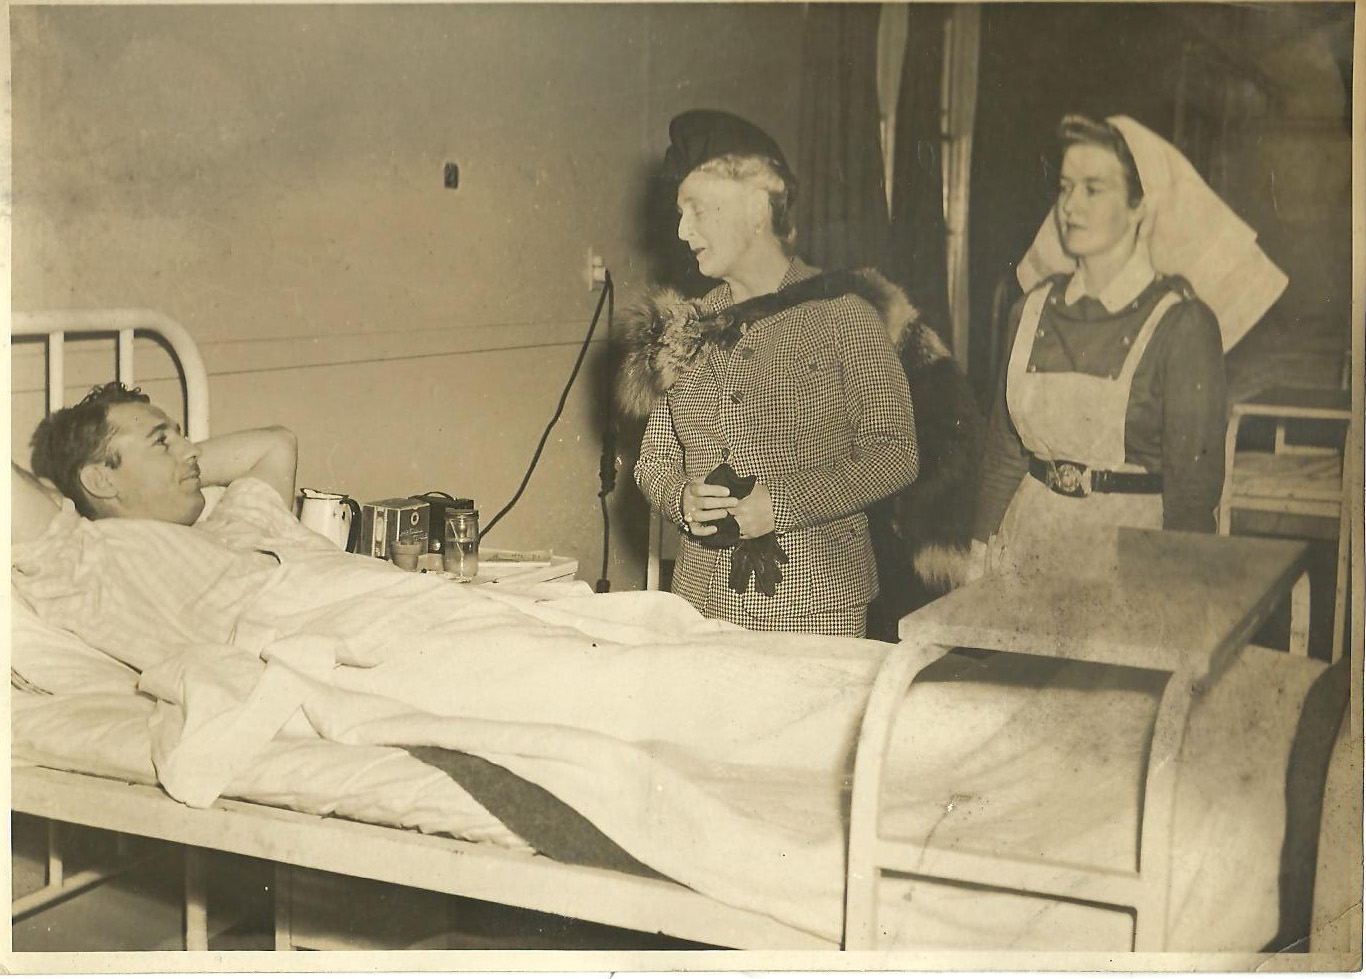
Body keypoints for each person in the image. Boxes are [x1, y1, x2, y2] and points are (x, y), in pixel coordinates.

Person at [623, 109, 920, 638]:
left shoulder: (843, 315)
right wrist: (681, 499)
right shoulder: (687, 326)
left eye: (697, 210)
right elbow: (654, 461)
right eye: (680, 213)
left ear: (758, 208)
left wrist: (782, 504)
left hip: (814, 610)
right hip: (700, 606)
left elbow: (895, 453)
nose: (683, 231)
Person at [970, 114, 1287, 575]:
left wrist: (1176, 595)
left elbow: (1191, 496)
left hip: (1130, 563)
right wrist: (976, 563)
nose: (1070, 206)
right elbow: (1003, 456)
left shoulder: (1182, 326)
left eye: (1093, 189)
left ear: (1140, 207)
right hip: (1026, 551)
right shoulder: (1029, 311)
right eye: (1065, 187)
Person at [13, 381, 298, 546]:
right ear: (102, 480)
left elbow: (276, 443)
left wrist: (179, 470)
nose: (193, 450)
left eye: (181, 436)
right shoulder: (102, 555)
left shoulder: (232, 528)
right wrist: (57, 495)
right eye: (161, 441)